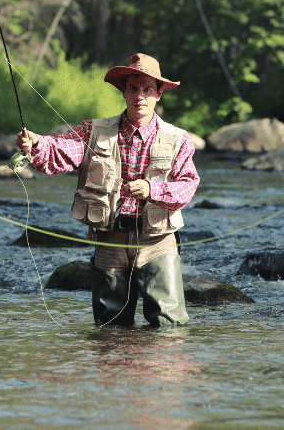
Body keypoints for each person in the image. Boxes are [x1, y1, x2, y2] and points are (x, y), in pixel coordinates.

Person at [16, 53, 199, 327]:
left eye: (148, 89)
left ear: (159, 94)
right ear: (123, 91)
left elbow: (187, 186)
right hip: (109, 241)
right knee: (109, 328)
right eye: (133, 88)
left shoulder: (179, 140)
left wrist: (152, 188)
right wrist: (36, 144)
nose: (140, 96)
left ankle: (161, 370)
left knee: (169, 327)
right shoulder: (93, 132)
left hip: (158, 241)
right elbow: (58, 151)